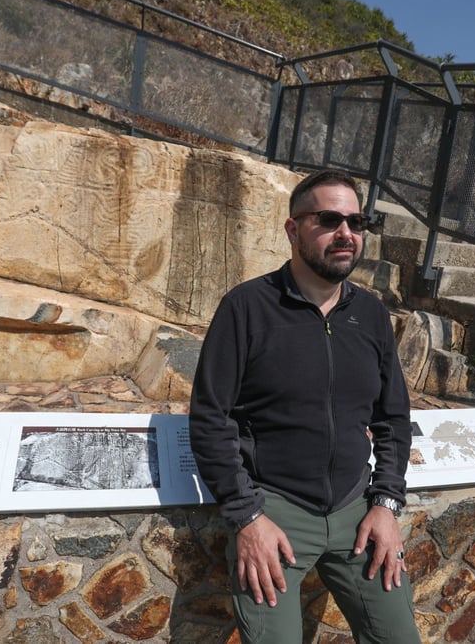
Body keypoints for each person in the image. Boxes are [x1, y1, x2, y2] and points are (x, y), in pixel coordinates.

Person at [189, 169, 422, 643]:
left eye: (357, 223)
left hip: (358, 510)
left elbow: (393, 417)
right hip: (274, 510)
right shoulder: (247, 307)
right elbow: (211, 418)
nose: (346, 234)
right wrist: (247, 517)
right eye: (330, 219)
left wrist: (386, 502)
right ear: (293, 229)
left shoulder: (372, 313)